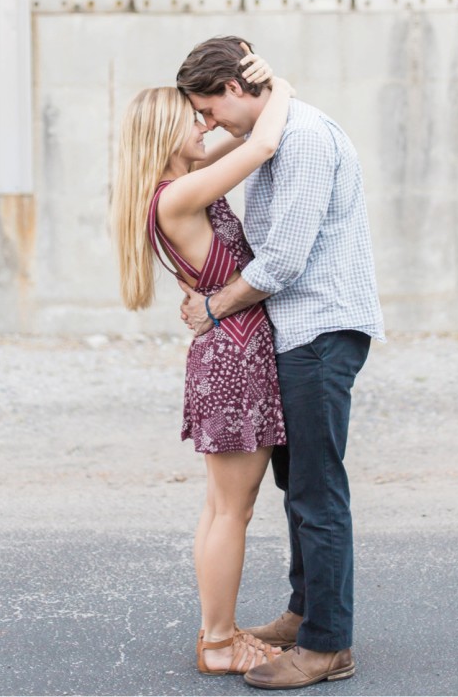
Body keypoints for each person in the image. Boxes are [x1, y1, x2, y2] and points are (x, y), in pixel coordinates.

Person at [176, 35, 385, 690]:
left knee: (318, 494)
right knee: (298, 490)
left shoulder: (302, 140)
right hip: (297, 334)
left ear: (236, 88)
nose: (206, 125)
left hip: (319, 331)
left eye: (209, 109)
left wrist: (214, 308)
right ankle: (305, 613)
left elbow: (285, 261)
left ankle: (328, 646)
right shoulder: (275, 127)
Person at [111, 49, 295, 676]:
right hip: (236, 354)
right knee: (230, 509)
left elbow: (241, 141)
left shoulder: (174, 188)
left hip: (225, 348)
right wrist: (280, 81)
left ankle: (219, 632)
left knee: (223, 507)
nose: (205, 126)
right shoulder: (178, 195)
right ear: (167, 132)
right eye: (193, 119)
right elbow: (264, 143)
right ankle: (218, 642)